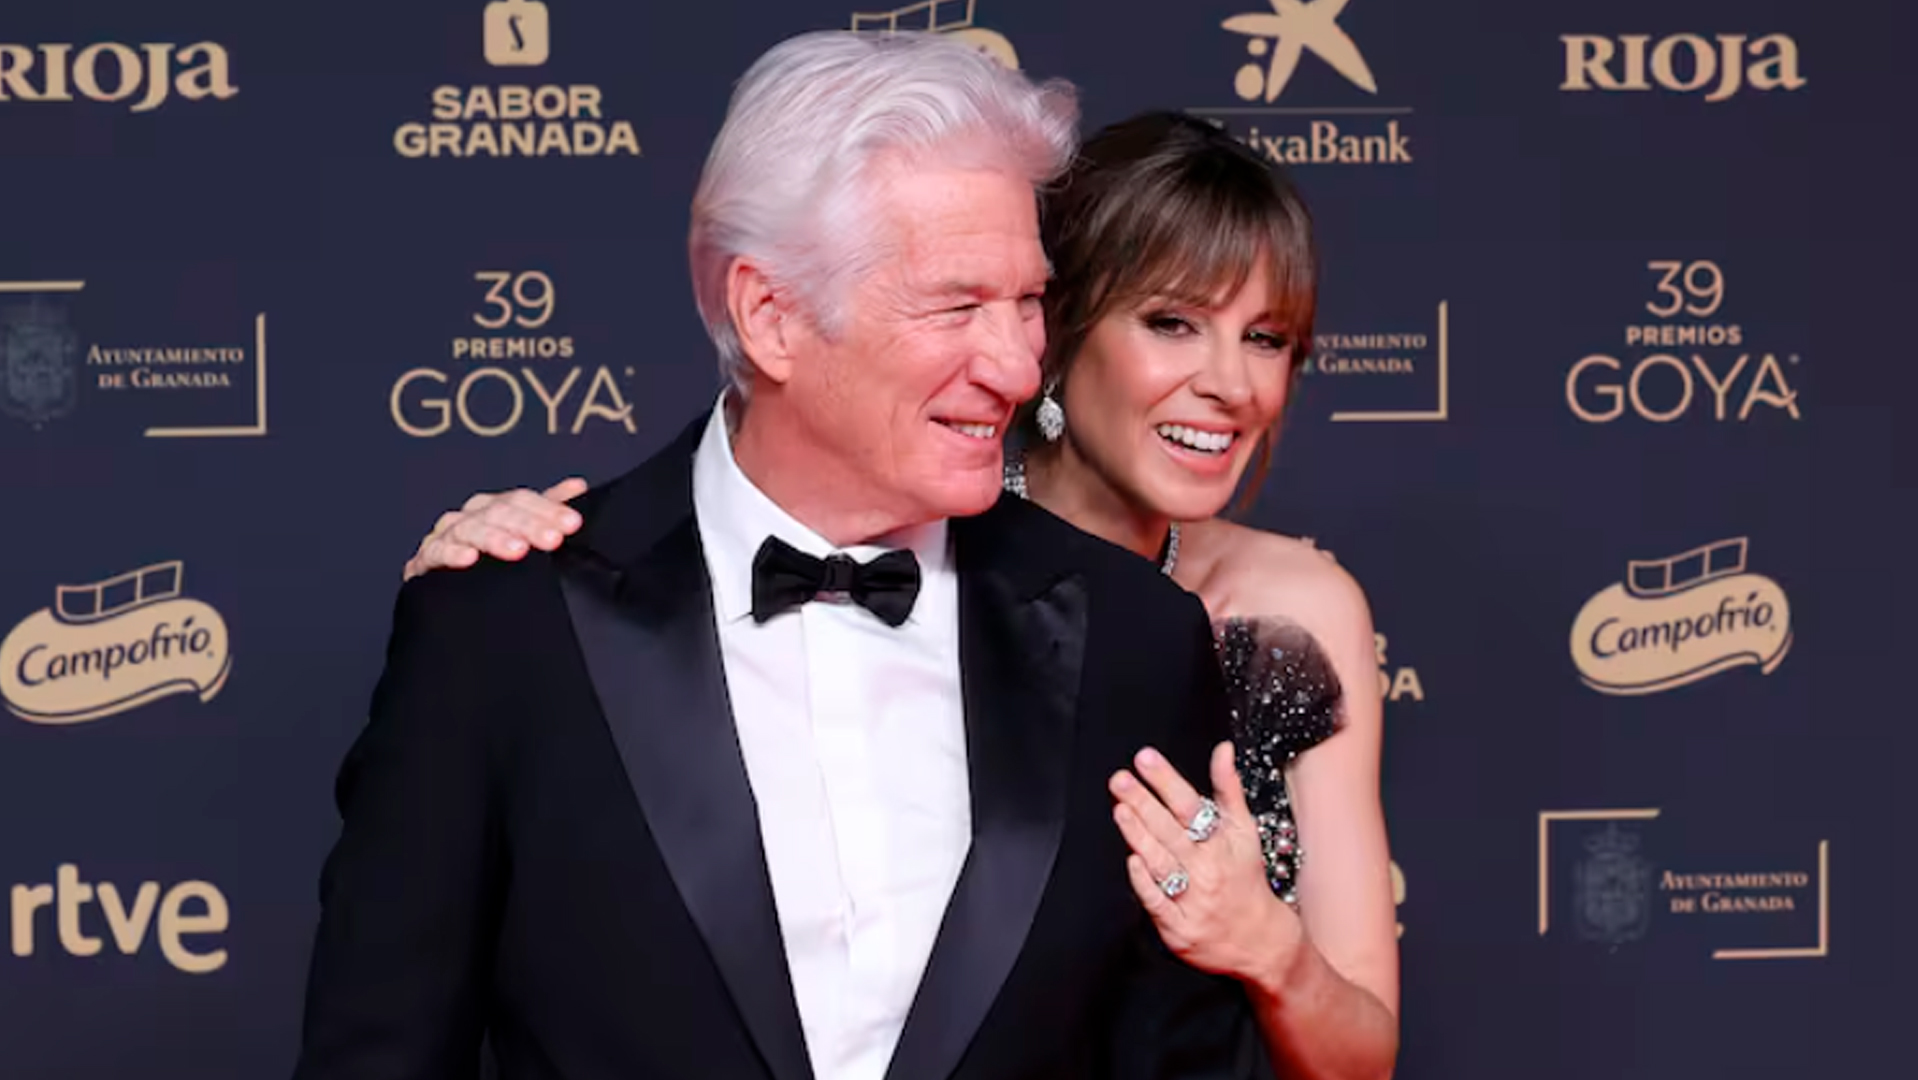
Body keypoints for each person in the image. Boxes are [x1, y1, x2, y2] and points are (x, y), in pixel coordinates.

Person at [294, 31, 1273, 1080]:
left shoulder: (1134, 637)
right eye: (957, 305)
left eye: (1028, 303)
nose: (1017, 366)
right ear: (770, 317)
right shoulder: (505, 628)